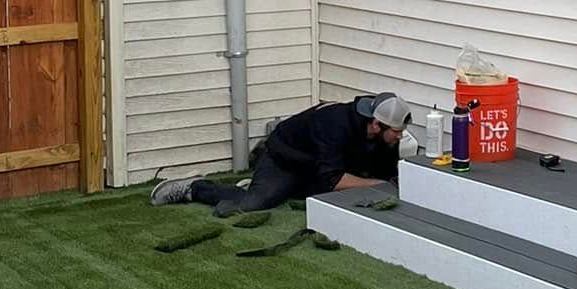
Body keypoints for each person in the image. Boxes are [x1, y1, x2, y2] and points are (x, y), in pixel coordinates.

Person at [151, 93, 412, 216]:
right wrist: (378, 184)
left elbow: (389, 175)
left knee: (346, 194)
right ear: (376, 125)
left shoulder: (384, 135)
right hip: (286, 158)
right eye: (397, 132)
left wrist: (390, 183)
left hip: (319, 163)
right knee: (252, 204)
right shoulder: (334, 124)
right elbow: (334, 180)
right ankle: (194, 188)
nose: (401, 137)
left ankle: (264, 185)